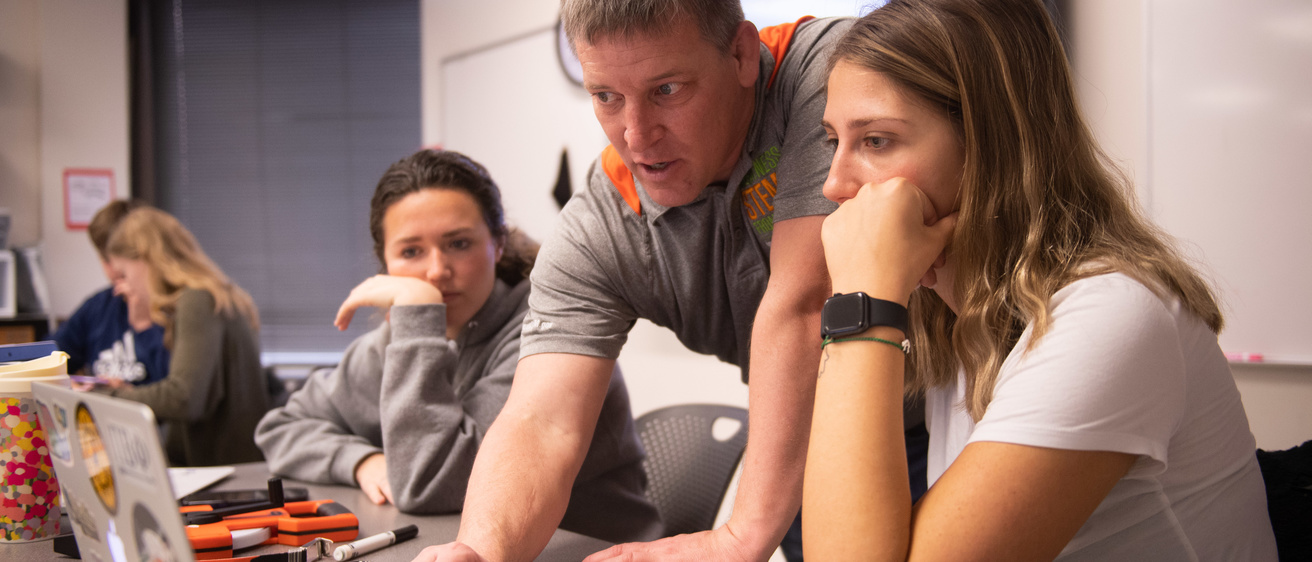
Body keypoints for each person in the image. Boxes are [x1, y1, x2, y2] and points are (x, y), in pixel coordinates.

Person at [415, 2, 922, 561]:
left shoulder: (835, 73)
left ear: (741, 54)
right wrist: (480, 552)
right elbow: (542, 420)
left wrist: (740, 536)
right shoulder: (602, 226)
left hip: (956, 403)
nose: (636, 135)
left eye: (667, 90)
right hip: (820, 441)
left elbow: (806, 303)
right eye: (606, 96)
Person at [802, 0, 1278, 559]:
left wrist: (862, 299)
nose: (834, 184)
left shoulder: (1110, 314)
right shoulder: (956, 313)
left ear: (990, 147)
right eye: (835, 141)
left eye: (876, 140)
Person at [255, 149, 660, 543]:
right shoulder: (394, 343)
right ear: (386, 264)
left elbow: (431, 485)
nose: (436, 271)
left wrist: (417, 316)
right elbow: (282, 428)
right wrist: (361, 461)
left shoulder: (550, 334)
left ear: (498, 243)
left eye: (459, 243)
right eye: (411, 251)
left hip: (589, 549)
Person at [100, 207, 269, 466]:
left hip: (225, 474)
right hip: (237, 467)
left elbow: (184, 398)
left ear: (146, 259)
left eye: (124, 274)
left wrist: (103, 397)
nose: (124, 287)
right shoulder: (216, 294)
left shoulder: (198, 299)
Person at [55, 199, 170, 386]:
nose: (114, 270)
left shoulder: (175, 305)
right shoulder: (97, 307)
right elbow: (51, 356)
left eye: (121, 259)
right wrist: (65, 384)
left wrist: (143, 325)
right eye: (106, 260)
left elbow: (179, 392)